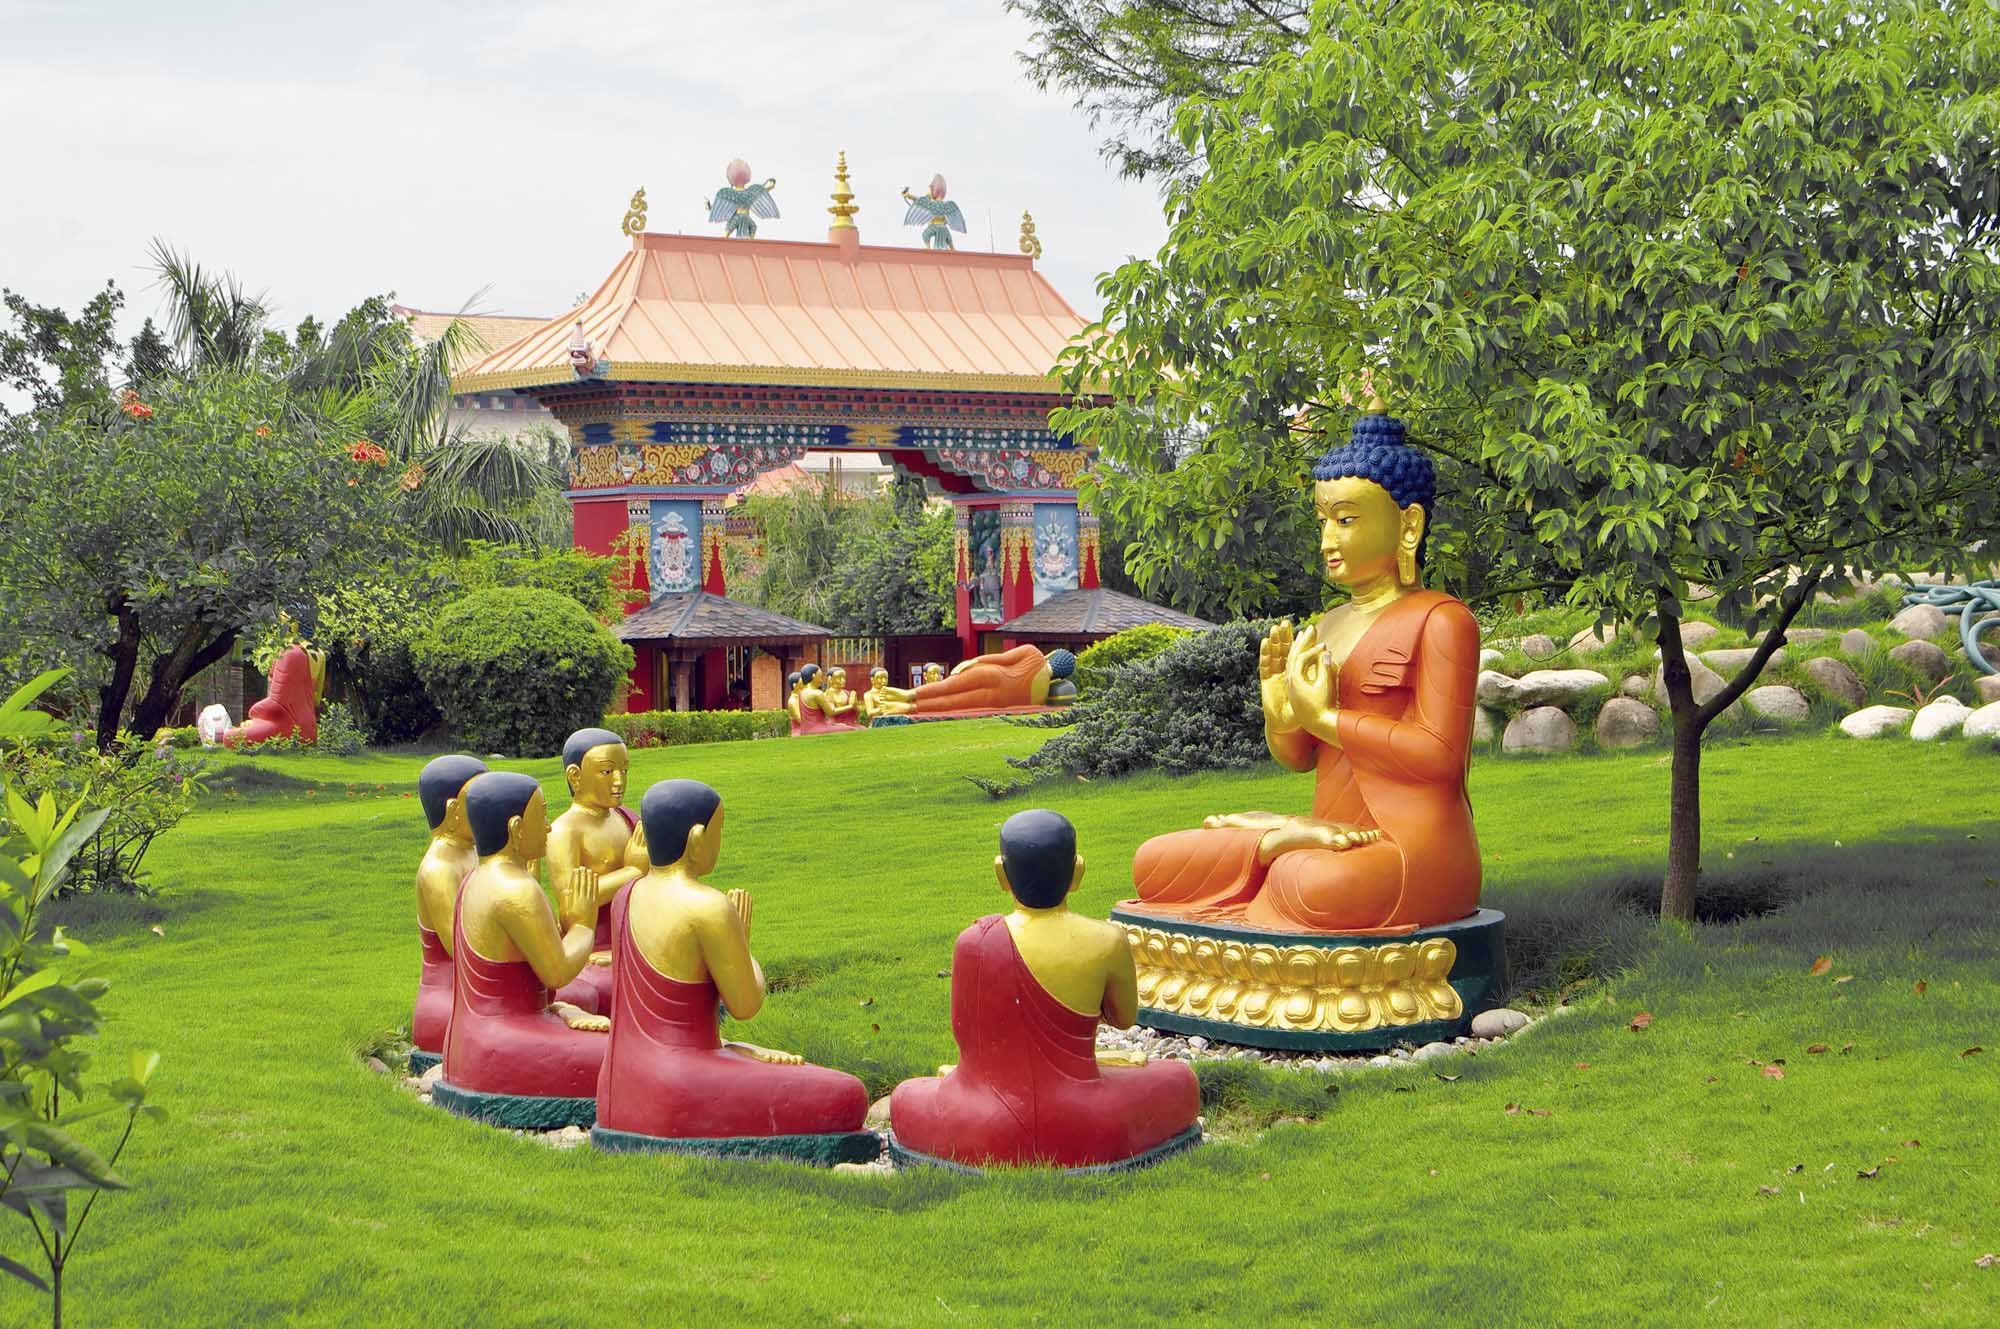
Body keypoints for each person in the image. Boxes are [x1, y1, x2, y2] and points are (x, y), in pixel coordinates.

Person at [1125, 412, 1481, 933]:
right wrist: (1282, 714)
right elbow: (1298, 759)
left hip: (1409, 850)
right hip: (1331, 837)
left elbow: (1440, 758)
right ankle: (1278, 841)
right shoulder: (1328, 625)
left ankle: (1277, 848)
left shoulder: (1442, 620)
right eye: (1323, 521)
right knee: (1153, 861)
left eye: (1346, 519)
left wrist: (1328, 718)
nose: (1327, 540)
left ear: (1409, 525)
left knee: (1311, 885)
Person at [889, 810, 1201, 1170]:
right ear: (1077, 872)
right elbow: (1123, 1017)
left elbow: (964, 1035)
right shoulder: (1106, 940)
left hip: (981, 1120)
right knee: (1178, 1079)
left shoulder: (974, 942)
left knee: (906, 1094)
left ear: (1000, 874)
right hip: (1086, 1119)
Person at [592, 780, 872, 1160]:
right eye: (718, 832)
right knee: (848, 1094)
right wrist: (742, 945)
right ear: (696, 838)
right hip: (682, 1083)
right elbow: (745, 1004)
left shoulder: (626, 895)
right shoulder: (707, 906)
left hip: (620, 1080)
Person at [436, 772, 608, 1124]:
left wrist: (559, 1008)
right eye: (541, 816)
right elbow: (557, 970)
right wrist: (584, 924)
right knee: (624, 1057)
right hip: (503, 1044)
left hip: (470, 1039)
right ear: (516, 828)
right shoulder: (516, 890)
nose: (548, 828)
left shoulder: (475, 878)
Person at [546, 728, 641, 1015]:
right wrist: (634, 870)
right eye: (606, 771)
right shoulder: (566, 831)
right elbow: (571, 905)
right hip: (592, 947)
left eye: (624, 770)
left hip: (637, 934)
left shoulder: (626, 817)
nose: (618, 781)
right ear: (575, 776)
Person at [409, 754, 487, 1072]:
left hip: (484, 984)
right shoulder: (439, 868)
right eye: (479, 799)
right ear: (455, 810)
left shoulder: (475, 854)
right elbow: (461, 947)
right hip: (449, 994)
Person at [908, 645, 1073, 714]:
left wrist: (975, 661)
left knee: (945, 687)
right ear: (1059, 677)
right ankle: (907, 707)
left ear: (1051, 655)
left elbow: (1002, 658)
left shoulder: (1033, 652)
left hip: (993, 674)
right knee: (951, 702)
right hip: (997, 699)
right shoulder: (1041, 695)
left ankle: (905, 695)